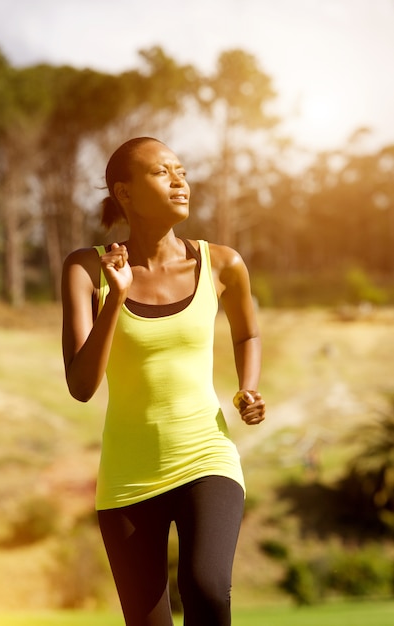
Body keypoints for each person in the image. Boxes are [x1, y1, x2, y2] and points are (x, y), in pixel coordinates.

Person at [61, 137, 266, 626]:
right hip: (128, 477)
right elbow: (82, 385)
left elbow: (248, 331)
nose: (180, 182)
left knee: (207, 588)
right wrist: (115, 297)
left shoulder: (221, 263)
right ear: (124, 192)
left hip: (205, 456)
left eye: (182, 171)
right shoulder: (87, 269)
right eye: (162, 172)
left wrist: (248, 387)